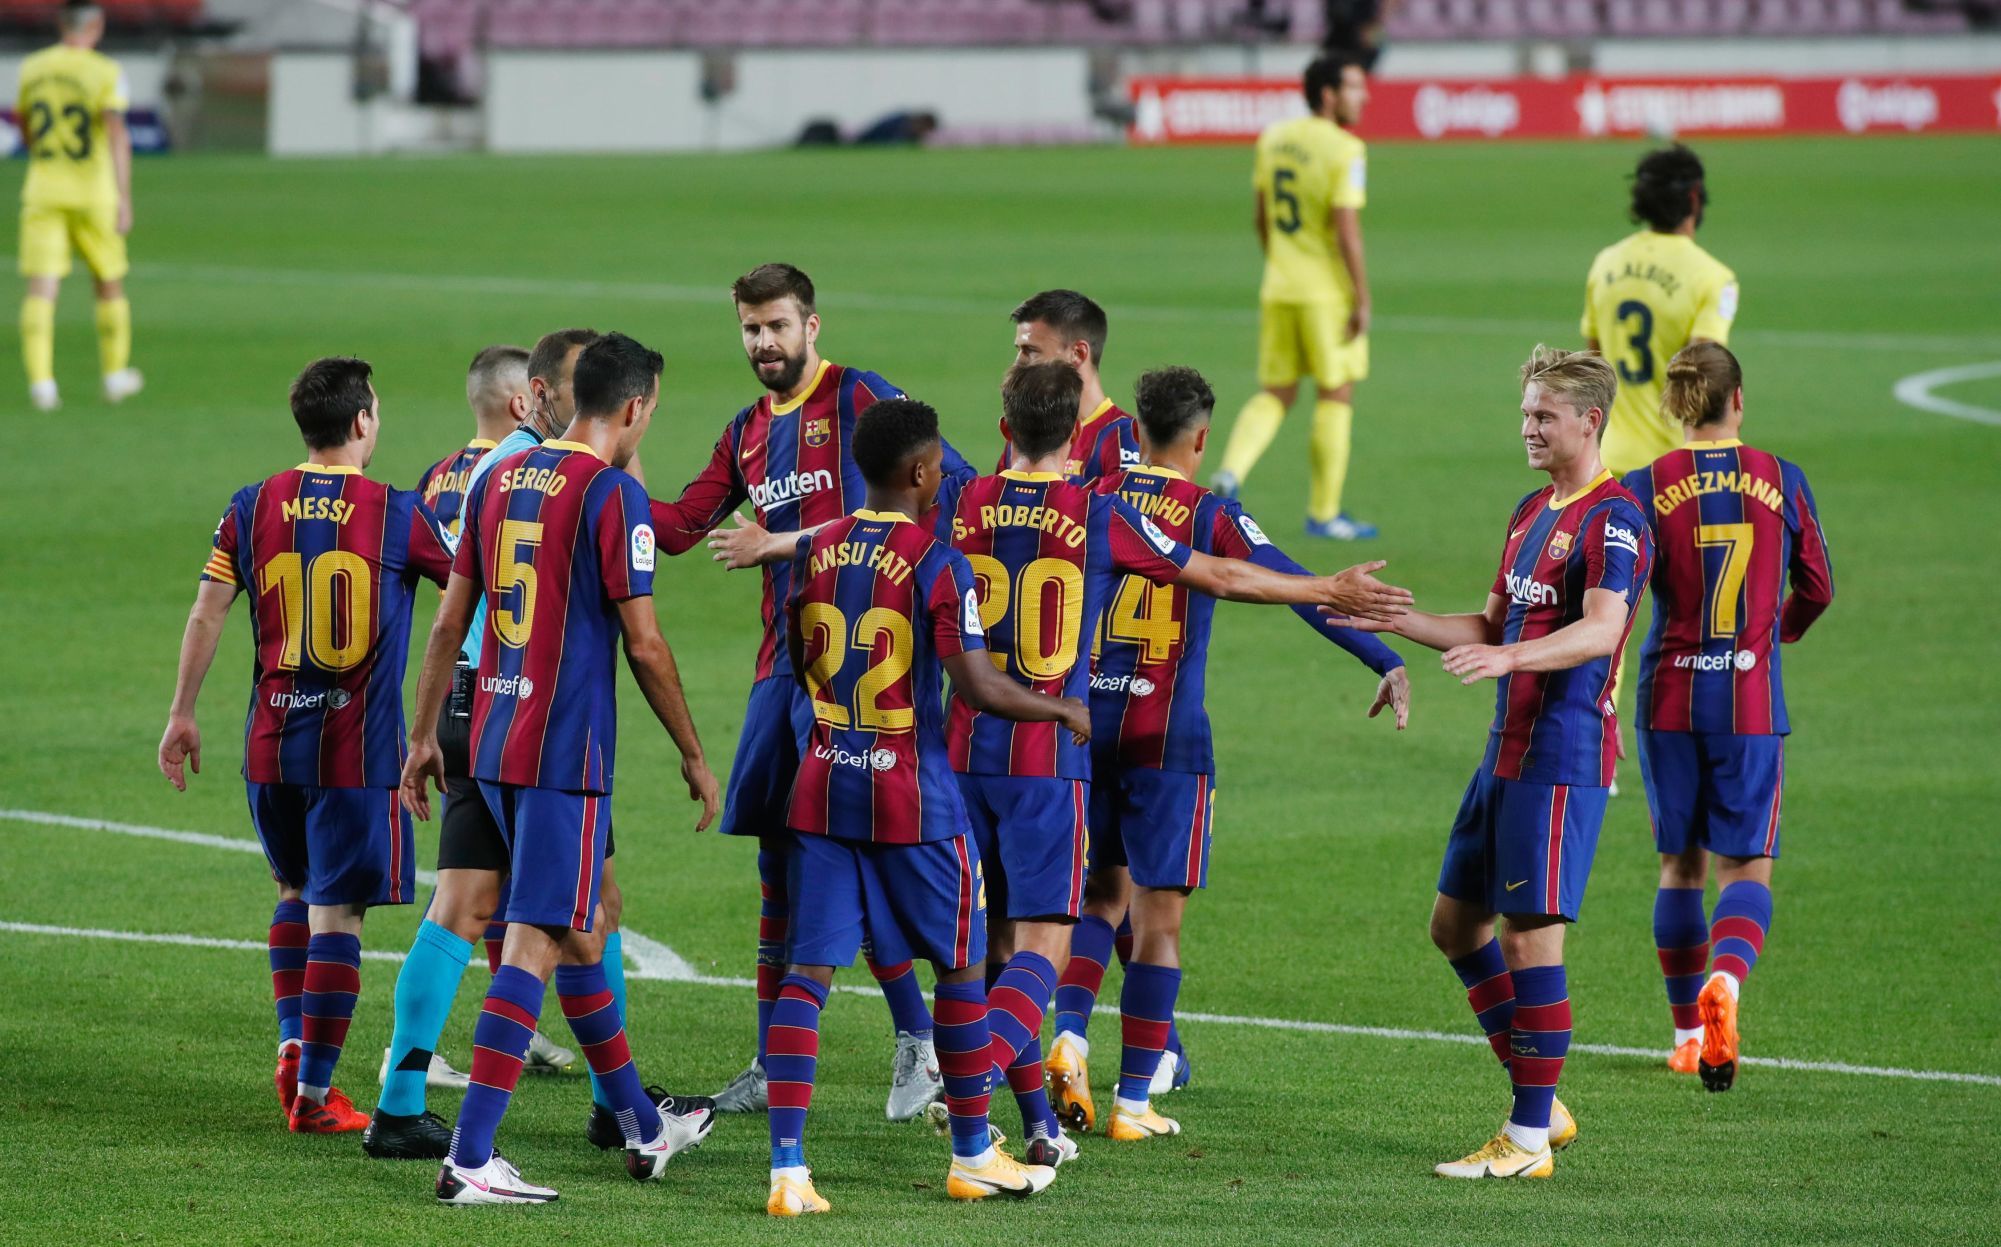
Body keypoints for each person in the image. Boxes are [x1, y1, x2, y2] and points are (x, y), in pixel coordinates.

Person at [942, 361, 1413, 1150]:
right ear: (1200, 437)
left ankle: (1068, 1038)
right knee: (1157, 924)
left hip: (1079, 729)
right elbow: (1271, 580)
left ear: (1128, 431)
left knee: (1093, 900)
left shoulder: (1089, 497)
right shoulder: (1201, 511)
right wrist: (1380, 655)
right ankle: (1130, 1097)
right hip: (1166, 739)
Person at [401, 332, 721, 1204]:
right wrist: (694, 753)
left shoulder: (499, 475)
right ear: (636, 407)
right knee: (537, 938)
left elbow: (446, 622)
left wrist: (423, 733)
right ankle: (470, 1157)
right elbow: (646, 644)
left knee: (581, 928)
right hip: (561, 753)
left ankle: (643, 1124)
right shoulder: (611, 493)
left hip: (492, 738)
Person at [650, 263, 976, 1118]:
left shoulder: (862, 398)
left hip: (867, 679)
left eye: (777, 327)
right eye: (751, 329)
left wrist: (784, 542)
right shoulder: (747, 431)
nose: (763, 343)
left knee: (858, 857)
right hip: (781, 667)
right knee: (778, 861)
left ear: (812, 327)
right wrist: (596, 473)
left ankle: (917, 1042)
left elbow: (948, 484)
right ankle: (772, 1064)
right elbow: (683, 526)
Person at [1332, 346, 1651, 1178]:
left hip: (1562, 753)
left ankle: (1527, 1138)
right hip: (1504, 753)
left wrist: (1513, 661)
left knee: (1529, 945)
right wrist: (1399, 623)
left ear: (1590, 420)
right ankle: (1538, 1100)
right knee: (1453, 925)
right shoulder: (1529, 510)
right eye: (1523, 414)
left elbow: (1603, 627)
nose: (1528, 429)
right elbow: (1488, 625)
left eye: (1544, 416)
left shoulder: (1614, 516)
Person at [763, 398, 1088, 1215]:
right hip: (914, 799)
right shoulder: (940, 563)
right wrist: (1058, 710)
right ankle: (974, 1152)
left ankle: (789, 1172)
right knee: (960, 967)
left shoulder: (817, 547)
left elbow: (800, 655)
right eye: (939, 465)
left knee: (807, 975)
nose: (944, 475)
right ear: (917, 473)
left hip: (826, 785)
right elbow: (975, 684)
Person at [157, 357, 453, 1134]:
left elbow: (206, 610)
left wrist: (183, 712)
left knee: (294, 892)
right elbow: (469, 587)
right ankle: (317, 1095)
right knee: (338, 916)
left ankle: (293, 1045)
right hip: (355, 755)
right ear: (361, 422)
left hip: (270, 745)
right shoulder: (397, 511)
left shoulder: (250, 505)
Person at [1622, 343, 1833, 1090]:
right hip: (1746, 696)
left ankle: (1685, 1034)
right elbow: (1817, 585)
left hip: (1667, 695)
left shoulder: (1643, 485)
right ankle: (1728, 984)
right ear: (1736, 398)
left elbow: (1611, 593)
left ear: (1676, 406)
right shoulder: (1782, 477)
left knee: (1679, 867)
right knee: (1746, 864)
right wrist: (1771, 634)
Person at [1212, 54, 1377, 541]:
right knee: (1336, 392)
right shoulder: (1346, 148)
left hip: (1279, 284)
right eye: (1354, 86)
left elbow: (1261, 217)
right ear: (1328, 94)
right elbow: (1347, 232)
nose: (1363, 96)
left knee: (1276, 391)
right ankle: (1325, 514)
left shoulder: (1273, 138)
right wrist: (1362, 296)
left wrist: (1281, 263)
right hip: (1325, 292)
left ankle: (1230, 471)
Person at [1582, 145, 1740, 476]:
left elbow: (1594, 365)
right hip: (1674, 469)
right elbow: (1704, 377)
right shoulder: (1713, 277)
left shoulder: (1606, 264)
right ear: (1695, 197)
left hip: (1607, 463)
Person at [15, 0, 142, 411]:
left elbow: (25, 124)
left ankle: (42, 387)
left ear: (60, 24)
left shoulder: (32, 67)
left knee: (41, 288)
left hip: (43, 189)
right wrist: (124, 197)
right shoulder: (104, 72)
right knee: (108, 282)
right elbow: (116, 134)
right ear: (97, 27)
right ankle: (113, 376)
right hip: (93, 193)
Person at [997, 289, 1139, 482]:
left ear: (1078, 353)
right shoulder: (1028, 431)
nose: (1018, 363)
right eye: (1019, 350)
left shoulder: (1126, 440)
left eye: (1031, 350)